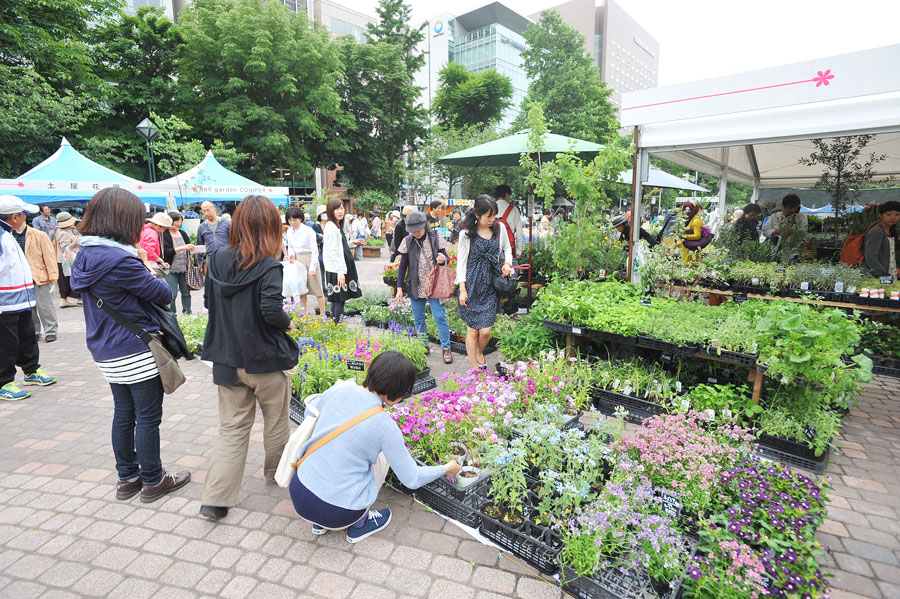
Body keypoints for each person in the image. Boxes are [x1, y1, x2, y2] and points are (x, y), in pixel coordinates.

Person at [70, 188, 190, 503]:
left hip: (105, 350)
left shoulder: (86, 254)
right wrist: (146, 263)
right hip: (135, 347)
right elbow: (164, 294)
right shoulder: (121, 259)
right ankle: (153, 480)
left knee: (124, 413)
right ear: (122, 220)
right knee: (147, 417)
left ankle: (127, 478)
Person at [198, 195, 300, 521]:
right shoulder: (269, 264)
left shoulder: (216, 259)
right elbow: (271, 311)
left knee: (232, 428)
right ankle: (277, 475)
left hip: (228, 357)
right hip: (266, 358)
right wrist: (288, 323)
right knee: (276, 421)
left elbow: (209, 302)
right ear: (270, 227)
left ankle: (215, 500)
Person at [290, 351, 462, 542]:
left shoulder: (341, 387)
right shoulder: (385, 425)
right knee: (381, 458)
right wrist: (446, 468)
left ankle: (319, 523)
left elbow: (310, 412)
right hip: (339, 512)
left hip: (298, 491)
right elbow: (412, 479)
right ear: (397, 392)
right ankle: (360, 525)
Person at [0, 196, 57, 401]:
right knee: (7, 343)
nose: (27, 217)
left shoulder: (7, 233)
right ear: (15, 217)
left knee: (27, 336)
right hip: (5, 303)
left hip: (21, 299)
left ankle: (31, 370)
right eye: (25, 214)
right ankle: (4, 382)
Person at [456, 195, 512, 370]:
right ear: (478, 215)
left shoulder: (499, 229)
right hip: (472, 285)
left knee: (486, 332)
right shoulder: (466, 234)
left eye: (494, 215)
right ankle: (474, 369)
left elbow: (507, 248)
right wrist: (462, 289)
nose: (492, 219)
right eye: (488, 216)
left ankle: (479, 351)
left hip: (491, 285)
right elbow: (461, 263)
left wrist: (507, 263)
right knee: (472, 331)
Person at [395, 211, 454, 364]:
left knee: (439, 316)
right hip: (416, 284)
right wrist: (399, 288)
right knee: (419, 318)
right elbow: (402, 267)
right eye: (412, 230)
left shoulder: (435, 237)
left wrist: (443, 259)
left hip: (435, 284)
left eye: (418, 230)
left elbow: (446, 258)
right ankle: (423, 345)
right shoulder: (408, 241)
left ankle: (446, 349)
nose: (415, 233)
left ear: (424, 226)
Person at [11, 202, 60, 342]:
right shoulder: (8, 235)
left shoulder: (39, 235)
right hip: (19, 278)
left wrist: (53, 275)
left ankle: (51, 330)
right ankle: (35, 331)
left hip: (39, 275)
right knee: (29, 308)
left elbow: (49, 256)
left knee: (45, 306)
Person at [323, 198, 363, 322]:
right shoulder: (331, 227)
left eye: (341, 208)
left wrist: (352, 242)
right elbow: (332, 252)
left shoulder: (335, 225)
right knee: (339, 299)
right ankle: (337, 327)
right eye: (336, 209)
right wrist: (340, 272)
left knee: (337, 299)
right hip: (337, 269)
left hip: (338, 268)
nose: (340, 211)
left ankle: (334, 326)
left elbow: (339, 245)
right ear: (330, 211)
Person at [285, 207, 326, 315]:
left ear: (301, 219)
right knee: (301, 290)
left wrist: (312, 268)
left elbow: (314, 250)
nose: (292, 222)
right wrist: (291, 256)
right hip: (298, 260)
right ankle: (304, 314)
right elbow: (291, 246)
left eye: (295, 220)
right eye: (290, 220)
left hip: (310, 258)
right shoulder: (289, 231)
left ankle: (323, 315)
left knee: (318, 290)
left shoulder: (308, 231)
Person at [162, 211, 195, 315]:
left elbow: (189, 246)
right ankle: (172, 316)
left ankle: (187, 314)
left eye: (180, 222)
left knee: (186, 293)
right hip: (171, 268)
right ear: (170, 222)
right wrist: (183, 247)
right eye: (177, 222)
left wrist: (193, 249)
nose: (179, 224)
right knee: (172, 294)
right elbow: (166, 252)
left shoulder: (183, 233)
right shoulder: (164, 234)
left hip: (184, 268)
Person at [762, 194, 808, 261]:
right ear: (784, 207)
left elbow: (803, 232)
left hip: (793, 252)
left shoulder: (802, 217)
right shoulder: (774, 216)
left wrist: (792, 231)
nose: (793, 210)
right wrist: (775, 231)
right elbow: (765, 231)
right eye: (791, 208)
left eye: (795, 207)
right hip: (775, 251)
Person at [862, 201, 900, 277]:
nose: (893, 217)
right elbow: (871, 257)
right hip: (878, 277)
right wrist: (884, 275)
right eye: (888, 214)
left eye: (897, 214)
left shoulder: (892, 231)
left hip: (890, 274)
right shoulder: (876, 232)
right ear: (880, 215)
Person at [55, 211, 83, 308]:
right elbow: (64, 248)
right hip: (66, 261)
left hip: (66, 261)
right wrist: (75, 242)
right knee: (67, 281)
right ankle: (65, 300)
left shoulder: (64, 231)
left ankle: (77, 298)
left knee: (67, 280)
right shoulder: (64, 233)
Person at [494, 184, 524, 259]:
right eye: (510, 195)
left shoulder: (490, 208)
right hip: (509, 248)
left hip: (493, 248)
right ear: (506, 194)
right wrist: (519, 250)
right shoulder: (514, 210)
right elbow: (519, 232)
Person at [313, 206, 327, 277]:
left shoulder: (330, 225)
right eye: (323, 213)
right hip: (320, 251)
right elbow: (314, 239)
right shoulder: (315, 226)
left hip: (329, 251)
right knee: (321, 272)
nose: (325, 214)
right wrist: (321, 237)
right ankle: (322, 284)